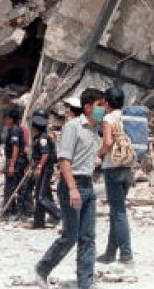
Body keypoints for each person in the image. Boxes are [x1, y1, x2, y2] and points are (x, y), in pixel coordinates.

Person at [34, 88, 106, 289]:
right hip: (71, 184)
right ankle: (42, 269)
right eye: (100, 105)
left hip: (88, 184)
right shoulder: (72, 127)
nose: (103, 109)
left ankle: (86, 281)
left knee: (88, 237)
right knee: (70, 236)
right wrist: (73, 189)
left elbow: (98, 151)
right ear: (88, 107)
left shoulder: (94, 129)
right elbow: (64, 160)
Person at [96, 86, 135, 265]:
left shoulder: (108, 118)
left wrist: (98, 154)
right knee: (116, 212)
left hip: (113, 167)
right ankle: (110, 253)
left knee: (118, 212)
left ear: (107, 101)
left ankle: (126, 255)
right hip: (128, 167)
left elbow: (107, 141)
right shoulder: (127, 116)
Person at [30, 110, 61, 229]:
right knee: (41, 195)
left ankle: (59, 215)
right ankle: (38, 222)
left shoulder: (43, 138)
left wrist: (39, 167)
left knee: (41, 197)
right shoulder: (38, 138)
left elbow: (45, 154)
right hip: (42, 168)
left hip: (44, 170)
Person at [2, 106, 29, 219]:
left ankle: (10, 212)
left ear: (10, 118)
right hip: (19, 161)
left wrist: (12, 164)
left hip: (16, 162)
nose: (4, 120)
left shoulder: (14, 130)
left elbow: (15, 147)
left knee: (11, 186)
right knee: (17, 186)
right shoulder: (16, 128)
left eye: (6, 118)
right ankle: (17, 211)